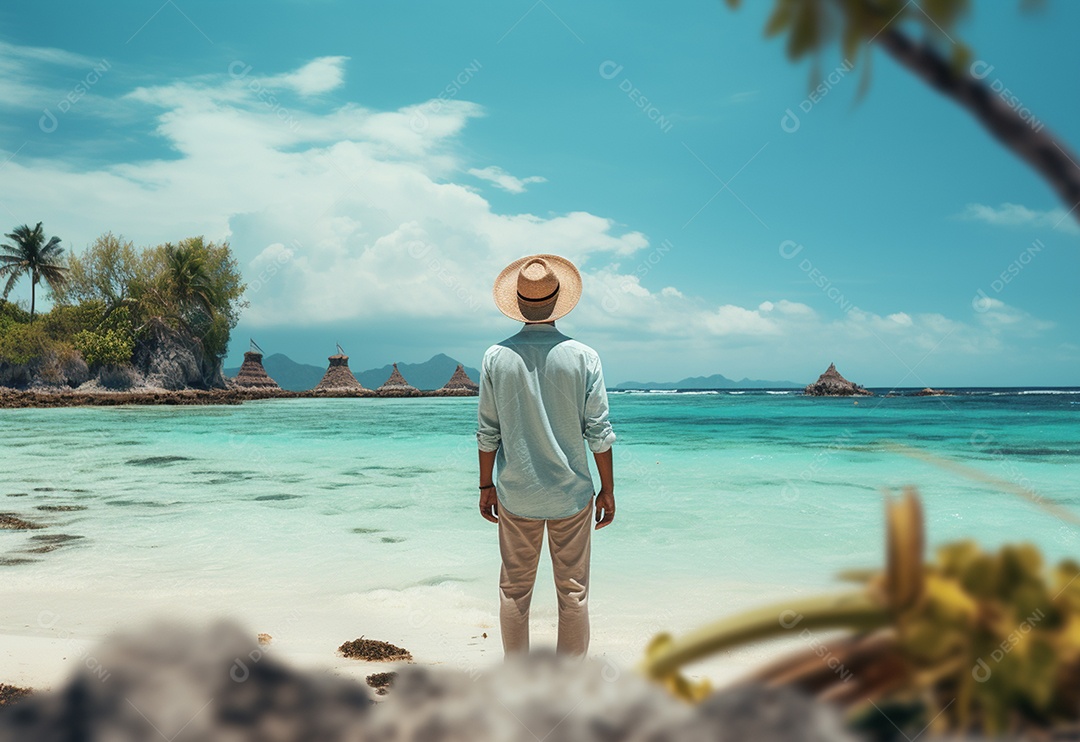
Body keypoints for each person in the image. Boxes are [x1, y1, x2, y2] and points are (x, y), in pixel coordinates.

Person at [476, 254, 616, 658]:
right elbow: (599, 432)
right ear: (559, 301)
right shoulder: (584, 357)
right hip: (571, 495)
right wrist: (607, 490)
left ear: (519, 302)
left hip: (517, 493)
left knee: (514, 591)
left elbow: (488, 432)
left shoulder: (495, 357)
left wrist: (486, 485)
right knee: (573, 593)